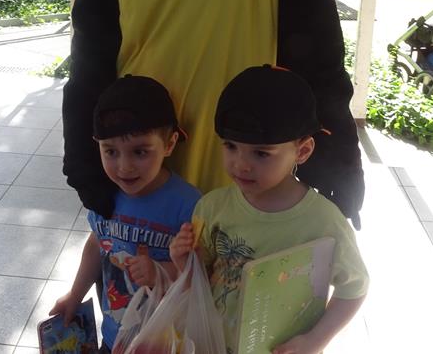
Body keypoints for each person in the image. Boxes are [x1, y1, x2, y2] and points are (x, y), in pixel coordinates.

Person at [170, 66, 368, 354]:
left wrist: (314, 341)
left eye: (261, 153)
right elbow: (199, 283)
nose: (241, 164)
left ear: (302, 151)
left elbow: (354, 288)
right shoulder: (211, 206)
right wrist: (184, 263)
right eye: (230, 146)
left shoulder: (324, 222)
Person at [51, 75, 200, 352]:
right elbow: (97, 245)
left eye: (140, 152)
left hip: (165, 342)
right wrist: (75, 295)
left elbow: (202, 273)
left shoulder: (189, 205)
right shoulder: (105, 195)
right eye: (110, 151)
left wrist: (159, 272)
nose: (124, 167)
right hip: (113, 336)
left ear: (169, 144)